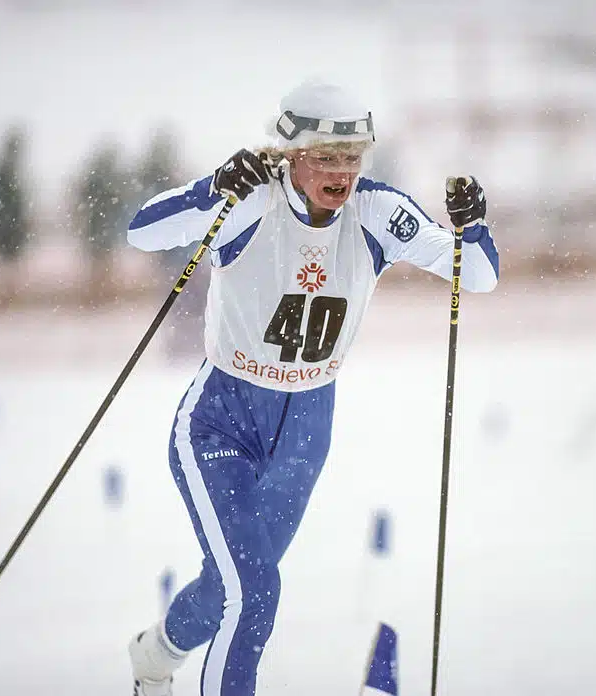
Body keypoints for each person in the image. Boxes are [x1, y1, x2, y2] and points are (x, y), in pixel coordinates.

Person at [124, 80, 499, 696]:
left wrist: (472, 227)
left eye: (353, 157)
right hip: (221, 417)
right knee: (255, 590)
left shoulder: (375, 211)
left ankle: (155, 654)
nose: (342, 172)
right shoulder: (251, 201)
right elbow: (143, 232)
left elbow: (475, 274)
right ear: (290, 152)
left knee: (234, 586)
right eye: (326, 156)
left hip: (306, 428)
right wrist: (212, 189)